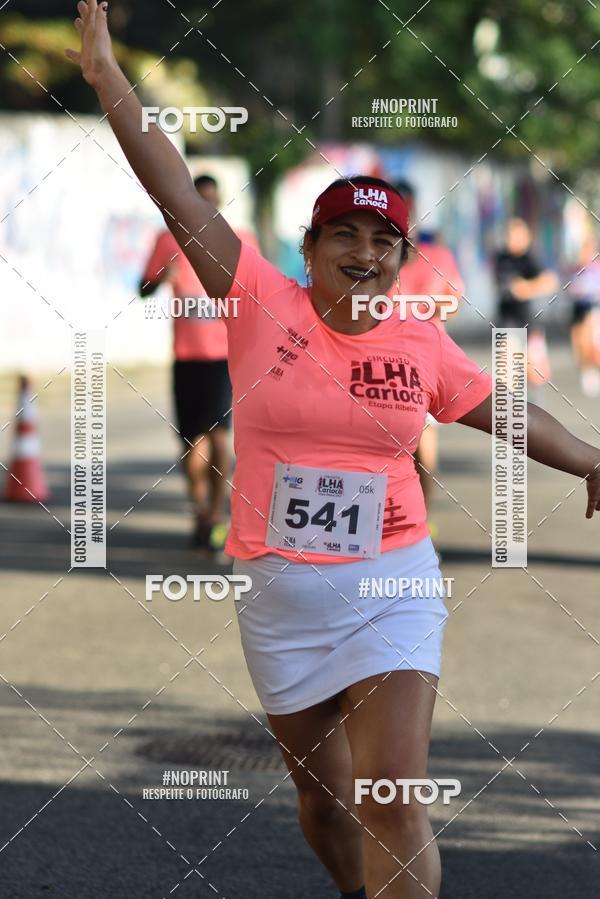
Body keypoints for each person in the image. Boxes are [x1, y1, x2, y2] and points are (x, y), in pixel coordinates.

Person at [66, 6, 600, 896]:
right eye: (344, 235)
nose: (364, 251)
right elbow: (175, 191)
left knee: (391, 795)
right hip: (278, 595)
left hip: (392, 584)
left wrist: (589, 458)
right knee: (322, 802)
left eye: (383, 240)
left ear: (400, 260)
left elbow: (503, 410)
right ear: (309, 248)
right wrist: (107, 79)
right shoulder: (254, 296)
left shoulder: (423, 344)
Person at [140, 174, 258, 552]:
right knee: (192, 442)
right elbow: (142, 288)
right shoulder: (167, 241)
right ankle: (200, 510)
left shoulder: (239, 241)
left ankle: (215, 512)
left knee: (221, 434)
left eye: (210, 203)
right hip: (186, 355)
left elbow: (260, 291)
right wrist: (162, 279)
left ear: (219, 204)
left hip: (226, 354)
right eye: (197, 202)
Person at [392, 180, 464, 531]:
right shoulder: (378, 255)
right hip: (385, 361)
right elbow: (453, 304)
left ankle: (418, 519)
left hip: (425, 363)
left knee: (420, 443)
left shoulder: (435, 256)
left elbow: (452, 304)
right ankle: (410, 519)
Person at [494, 217, 559, 393]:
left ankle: (535, 413)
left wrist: (528, 288)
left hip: (532, 323)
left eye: (519, 235)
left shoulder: (532, 259)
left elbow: (551, 281)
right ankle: (512, 412)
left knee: (536, 375)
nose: (514, 240)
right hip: (509, 323)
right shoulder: (501, 258)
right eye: (511, 235)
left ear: (527, 237)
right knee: (508, 372)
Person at [566, 235, 600, 397]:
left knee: (588, 342)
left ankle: (591, 371)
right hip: (577, 308)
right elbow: (569, 288)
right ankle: (585, 369)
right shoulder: (576, 269)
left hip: (592, 308)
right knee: (577, 343)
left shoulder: (597, 268)